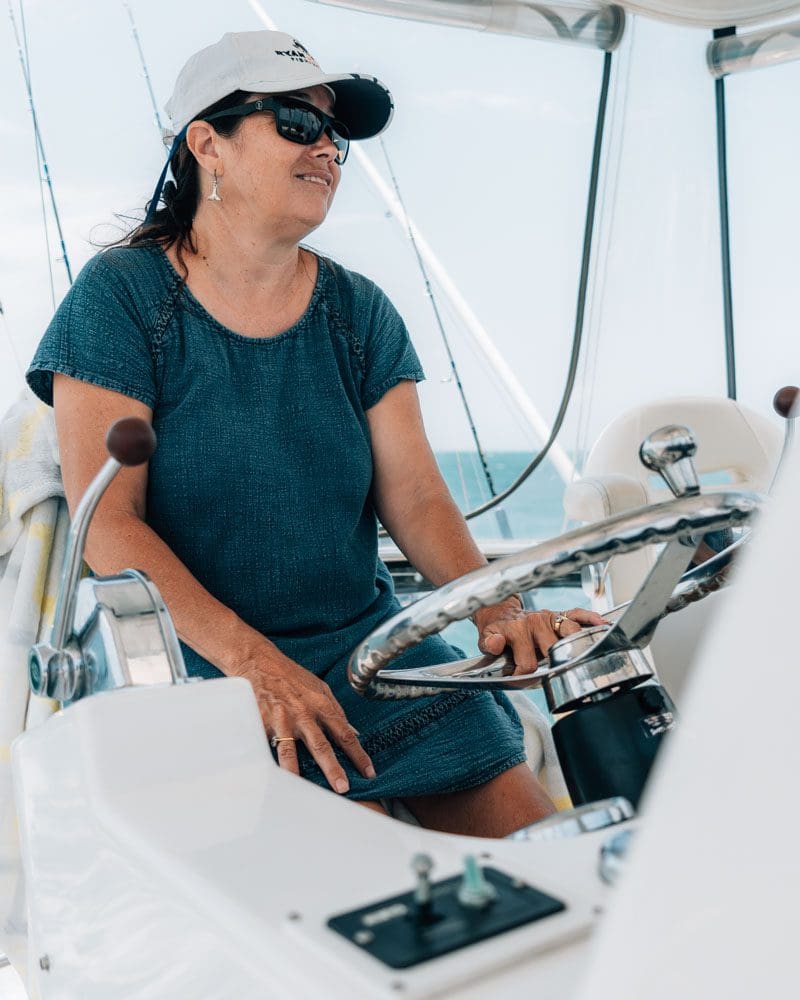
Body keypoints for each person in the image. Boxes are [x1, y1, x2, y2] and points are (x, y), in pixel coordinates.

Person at [25, 30, 603, 837]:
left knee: (545, 860)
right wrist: (256, 665)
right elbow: (111, 525)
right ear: (208, 145)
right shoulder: (120, 298)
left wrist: (497, 609)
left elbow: (417, 496)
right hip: (197, 667)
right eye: (298, 123)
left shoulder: (359, 311)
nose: (328, 148)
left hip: (372, 659)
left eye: (335, 133)